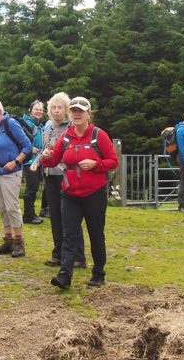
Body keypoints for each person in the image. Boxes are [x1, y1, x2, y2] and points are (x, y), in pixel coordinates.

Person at [42, 96, 118, 289]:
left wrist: (96, 164)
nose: (76, 114)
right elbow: (52, 161)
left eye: (80, 111)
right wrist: (47, 157)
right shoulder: (66, 136)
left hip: (94, 193)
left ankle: (98, 273)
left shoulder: (98, 135)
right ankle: (65, 275)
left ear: (88, 114)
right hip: (70, 194)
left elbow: (113, 161)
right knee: (69, 234)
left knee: (95, 233)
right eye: (73, 111)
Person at [31, 92, 86, 268]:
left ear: (66, 110)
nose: (56, 111)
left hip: (67, 176)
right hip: (50, 175)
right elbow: (44, 149)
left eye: (60, 107)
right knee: (54, 215)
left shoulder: (72, 126)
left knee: (69, 217)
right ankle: (58, 252)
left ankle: (78, 256)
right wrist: (37, 162)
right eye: (53, 107)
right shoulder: (47, 126)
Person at [0, 96, 33, 258]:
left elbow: (27, 146)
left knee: (12, 206)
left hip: (10, 172)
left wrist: (16, 161)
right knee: (2, 207)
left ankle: (18, 242)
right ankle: (8, 240)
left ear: (0, 112)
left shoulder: (11, 124)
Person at [22, 100, 46, 224]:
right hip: (29, 160)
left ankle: (31, 213)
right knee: (31, 187)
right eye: (36, 109)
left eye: (41, 110)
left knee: (34, 187)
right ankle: (28, 215)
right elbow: (21, 139)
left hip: (37, 160)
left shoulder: (40, 125)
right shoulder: (27, 124)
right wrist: (30, 148)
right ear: (31, 110)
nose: (39, 112)